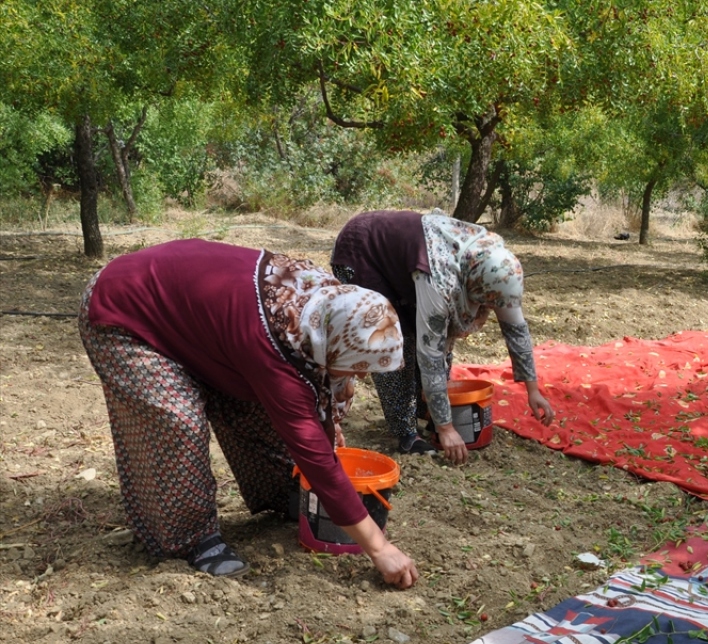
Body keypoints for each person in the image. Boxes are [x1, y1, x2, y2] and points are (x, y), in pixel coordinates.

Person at [78, 238, 419, 587]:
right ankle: (190, 540)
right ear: (333, 342)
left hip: (197, 322)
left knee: (251, 404)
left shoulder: (323, 306)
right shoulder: (274, 347)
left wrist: (329, 425)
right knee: (177, 421)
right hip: (125, 309)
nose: (361, 375)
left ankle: (278, 492)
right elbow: (313, 452)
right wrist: (378, 548)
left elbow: (319, 388)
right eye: (358, 365)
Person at [331, 210, 555, 464]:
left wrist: (533, 390)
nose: (491, 310)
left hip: (403, 261)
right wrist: (447, 428)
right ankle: (405, 432)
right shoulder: (439, 280)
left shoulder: (495, 272)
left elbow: (516, 329)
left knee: (423, 338)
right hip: (363, 250)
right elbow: (431, 353)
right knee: (394, 339)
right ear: (475, 289)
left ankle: (428, 408)